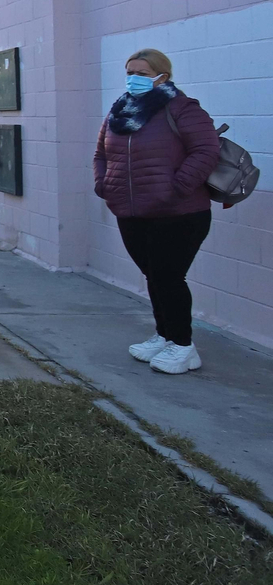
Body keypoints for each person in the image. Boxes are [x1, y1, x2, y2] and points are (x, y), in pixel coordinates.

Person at [95, 48, 220, 375]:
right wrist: (103, 184)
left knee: (168, 276)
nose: (133, 78)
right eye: (129, 71)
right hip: (131, 211)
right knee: (155, 276)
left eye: (141, 72)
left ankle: (183, 346)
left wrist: (176, 187)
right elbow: (101, 154)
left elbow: (207, 150)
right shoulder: (119, 111)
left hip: (179, 212)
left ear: (162, 76)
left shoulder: (181, 108)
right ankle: (164, 335)